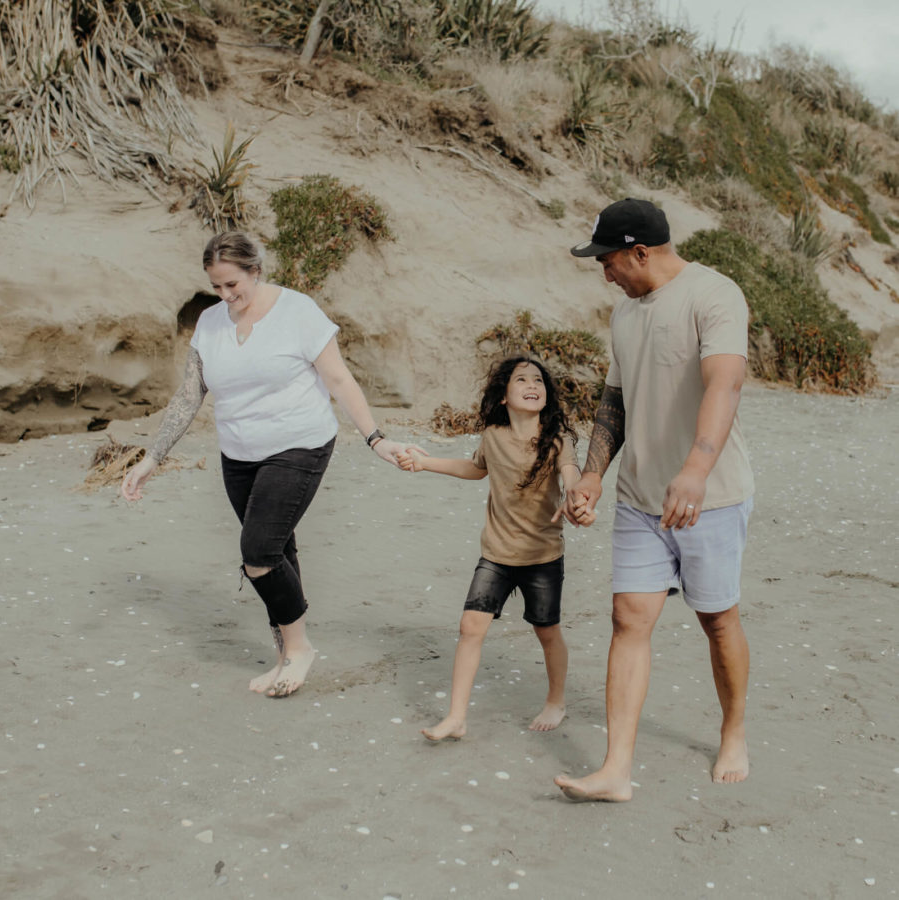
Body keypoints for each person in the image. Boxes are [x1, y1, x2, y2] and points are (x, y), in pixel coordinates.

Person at [122, 231, 422, 698]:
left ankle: (299, 649)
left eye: (233, 285)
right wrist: (151, 458)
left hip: (299, 445)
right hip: (239, 455)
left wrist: (375, 439)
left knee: (258, 553)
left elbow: (339, 379)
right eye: (216, 287)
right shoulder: (210, 323)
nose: (226, 296)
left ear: (255, 271)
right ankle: (285, 658)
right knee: (280, 550)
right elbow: (188, 396)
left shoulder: (297, 312)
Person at [554, 198, 755, 801]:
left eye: (609, 260)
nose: (604, 272)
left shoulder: (714, 295)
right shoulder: (625, 313)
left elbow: (726, 380)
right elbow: (614, 401)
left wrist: (695, 470)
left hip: (710, 497)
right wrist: (592, 476)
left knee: (717, 621)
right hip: (641, 498)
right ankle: (616, 769)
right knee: (628, 619)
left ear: (641, 252)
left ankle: (734, 730)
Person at [397, 356, 588, 740]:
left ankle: (556, 700)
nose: (532, 384)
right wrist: (425, 463)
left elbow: (571, 475)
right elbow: (476, 469)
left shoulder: (556, 440)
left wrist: (576, 497)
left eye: (538, 379)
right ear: (503, 396)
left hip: (542, 556)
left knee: (546, 630)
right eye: (521, 379)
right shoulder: (493, 437)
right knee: (470, 627)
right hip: (496, 554)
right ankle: (456, 717)